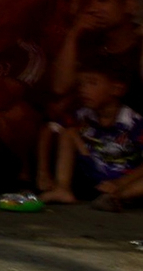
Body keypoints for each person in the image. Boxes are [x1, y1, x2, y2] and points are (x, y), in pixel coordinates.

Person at [41, 61, 143, 209]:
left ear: (117, 89)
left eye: (92, 83)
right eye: (81, 84)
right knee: (68, 132)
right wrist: (42, 172)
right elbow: (48, 130)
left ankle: (117, 197)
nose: (83, 90)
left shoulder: (134, 122)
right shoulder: (81, 115)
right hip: (91, 177)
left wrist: (120, 183)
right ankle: (63, 188)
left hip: (124, 181)